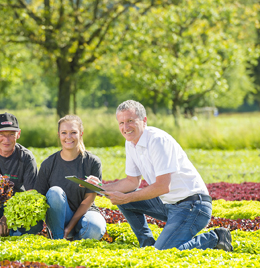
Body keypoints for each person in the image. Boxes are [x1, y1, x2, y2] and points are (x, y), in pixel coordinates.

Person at [86, 100, 233, 251]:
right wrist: (100, 187)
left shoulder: (157, 140)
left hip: (193, 205)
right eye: (121, 123)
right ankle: (147, 244)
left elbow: (163, 186)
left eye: (130, 121)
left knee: (163, 253)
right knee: (123, 199)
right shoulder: (131, 143)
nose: (125, 127)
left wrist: (126, 197)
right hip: (169, 205)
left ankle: (216, 237)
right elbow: (132, 182)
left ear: (144, 120)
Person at [34, 115, 107, 240]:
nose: (68, 137)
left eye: (73, 132)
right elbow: (38, 197)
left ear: (81, 134)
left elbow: (89, 198)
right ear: (59, 135)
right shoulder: (48, 164)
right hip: (58, 219)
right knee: (54, 192)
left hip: (84, 213)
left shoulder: (92, 162)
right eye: (64, 133)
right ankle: (58, 238)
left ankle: (73, 243)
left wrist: (70, 227)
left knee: (96, 228)